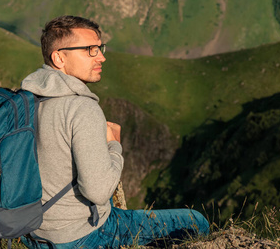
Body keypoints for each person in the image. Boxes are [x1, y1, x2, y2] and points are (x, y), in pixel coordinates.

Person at [20, 15, 209, 248]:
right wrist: (114, 146)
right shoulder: (82, 108)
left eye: (100, 48)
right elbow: (98, 192)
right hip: (78, 236)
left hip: (31, 231)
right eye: (90, 50)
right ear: (59, 57)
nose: (101, 57)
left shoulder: (27, 99)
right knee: (196, 221)